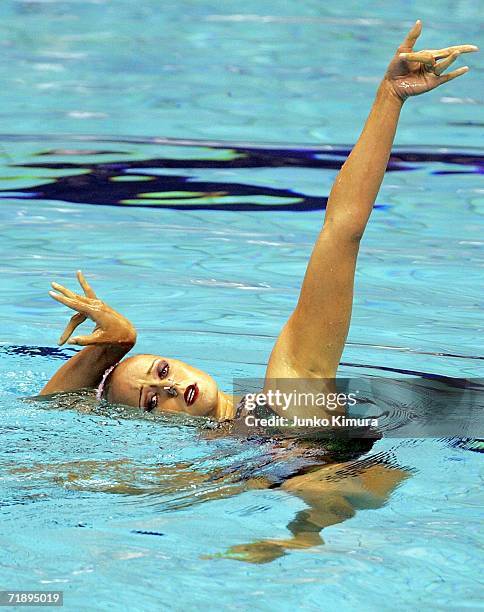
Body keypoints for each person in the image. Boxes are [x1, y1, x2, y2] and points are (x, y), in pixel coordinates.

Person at [40, 21, 477, 423]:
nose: (169, 387)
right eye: (152, 401)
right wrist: (106, 353)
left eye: (163, 370)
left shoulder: (291, 387)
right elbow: (43, 428)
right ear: (152, 425)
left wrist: (390, 95)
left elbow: (343, 228)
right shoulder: (202, 470)